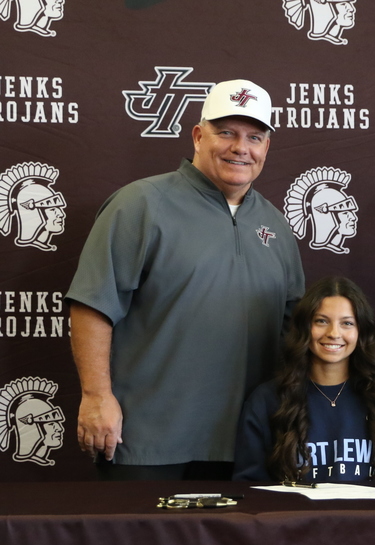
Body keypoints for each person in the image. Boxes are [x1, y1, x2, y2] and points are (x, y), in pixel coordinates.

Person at [66, 79, 305, 480]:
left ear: (266, 148)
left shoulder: (276, 225)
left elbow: (295, 329)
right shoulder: (140, 204)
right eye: (225, 132)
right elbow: (92, 305)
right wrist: (96, 396)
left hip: (247, 443)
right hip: (146, 440)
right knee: (138, 543)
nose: (240, 148)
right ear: (198, 135)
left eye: (254, 137)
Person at [233, 277, 375, 482]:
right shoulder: (268, 400)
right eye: (321, 321)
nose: (334, 333)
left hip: (373, 515)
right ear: (304, 327)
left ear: (360, 331)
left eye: (347, 323)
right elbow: (250, 487)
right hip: (297, 514)